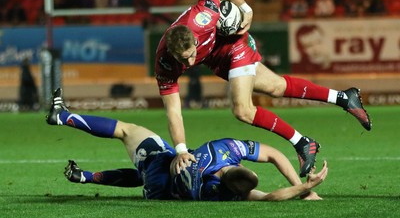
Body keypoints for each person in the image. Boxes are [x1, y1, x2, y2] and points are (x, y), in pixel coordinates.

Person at [154, 0, 371, 178]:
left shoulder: (203, 17)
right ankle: (343, 98)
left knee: (243, 110)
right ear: (171, 53)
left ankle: (302, 142)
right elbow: (173, 109)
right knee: (276, 87)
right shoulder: (164, 64)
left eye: (191, 54)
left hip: (234, 45)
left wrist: (245, 9)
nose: (190, 63)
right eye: (183, 59)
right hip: (215, 58)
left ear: (194, 38)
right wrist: (181, 149)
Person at [46, 88, 328, 201]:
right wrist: (304, 189)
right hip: (157, 192)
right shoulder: (222, 195)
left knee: (126, 130)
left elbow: (276, 154)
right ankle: (85, 177)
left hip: (162, 167)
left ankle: (64, 117)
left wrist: (305, 187)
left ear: (234, 166)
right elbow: (269, 197)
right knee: (142, 174)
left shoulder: (221, 150)